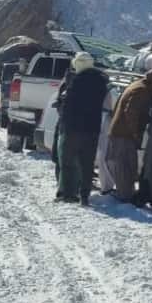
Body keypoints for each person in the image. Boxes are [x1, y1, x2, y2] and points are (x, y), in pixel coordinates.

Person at [57, 52, 109, 205]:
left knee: (68, 162)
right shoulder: (101, 81)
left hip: (73, 128)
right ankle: (84, 195)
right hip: (92, 129)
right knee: (87, 164)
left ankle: (68, 194)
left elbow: (67, 106)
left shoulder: (75, 80)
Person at [108, 68, 152, 203]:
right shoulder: (141, 91)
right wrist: (134, 133)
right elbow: (131, 113)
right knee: (124, 165)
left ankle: (127, 193)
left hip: (121, 131)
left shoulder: (138, 86)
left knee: (128, 164)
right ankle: (125, 195)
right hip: (124, 133)